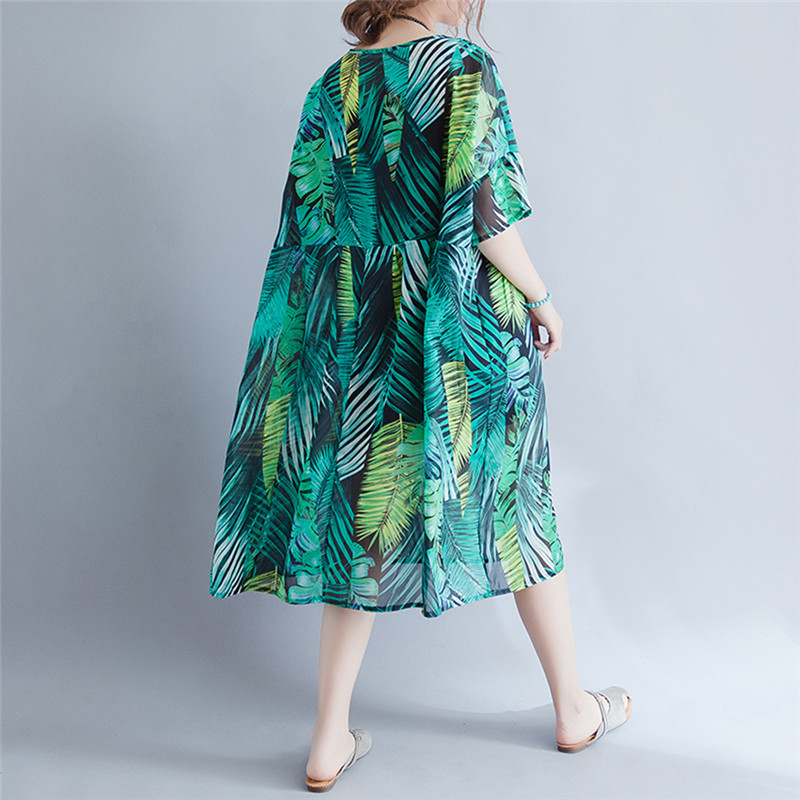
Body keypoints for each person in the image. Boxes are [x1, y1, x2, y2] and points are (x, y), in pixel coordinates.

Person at [209, 0, 632, 791]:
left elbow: (306, 233)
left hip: (360, 334)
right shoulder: (463, 67)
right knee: (514, 500)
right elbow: (486, 217)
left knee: (361, 520)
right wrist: (543, 298)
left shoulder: (332, 83)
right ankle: (573, 708)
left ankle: (328, 739)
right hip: (458, 332)